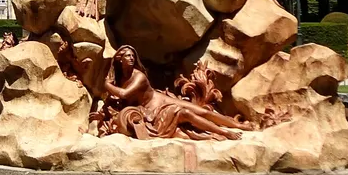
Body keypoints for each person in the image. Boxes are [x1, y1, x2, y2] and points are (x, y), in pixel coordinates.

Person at [101, 46, 249, 140]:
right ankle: (223, 132)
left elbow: (124, 94)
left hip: (160, 102)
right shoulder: (120, 78)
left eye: (133, 55)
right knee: (187, 114)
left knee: (203, 112)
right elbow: (119, 97)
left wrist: (107, 85)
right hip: (148, 110)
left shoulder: (139, 76)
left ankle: (238, 126)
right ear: (120, 60)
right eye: (127, 56)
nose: (132, 58)